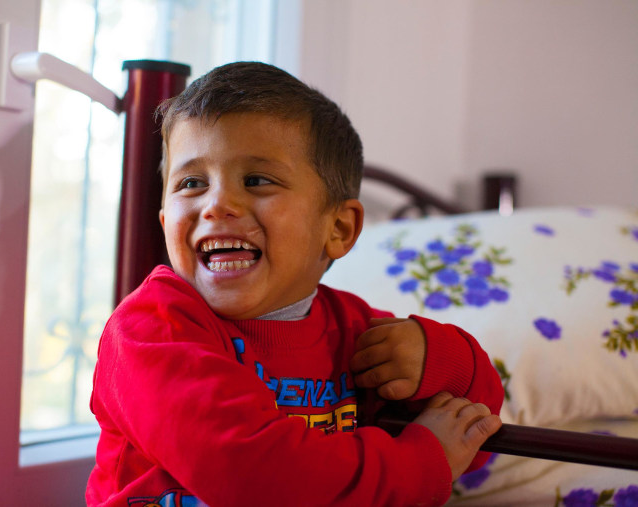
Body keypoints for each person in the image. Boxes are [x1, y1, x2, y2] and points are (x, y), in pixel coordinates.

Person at [86, 61, 503, 507]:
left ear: (339, 229)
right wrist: (419, 464)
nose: (217, 203)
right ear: (166, 222)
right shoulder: (152, 330)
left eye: (257, 180)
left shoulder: (358, 333)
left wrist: (443, 359)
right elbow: (252, 473)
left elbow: (475, 435)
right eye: (192, 183)